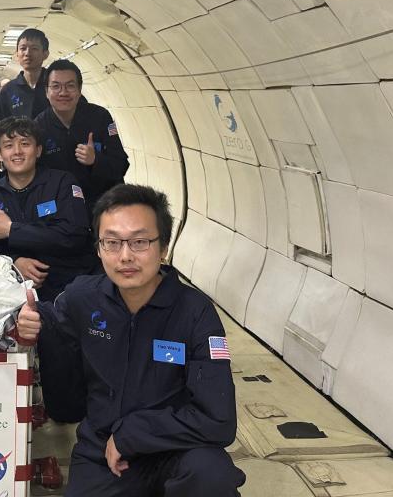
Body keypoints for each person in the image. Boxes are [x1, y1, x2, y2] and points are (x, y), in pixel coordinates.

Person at [16, 184, 246, 497]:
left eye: (139, 242)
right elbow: (46, 316)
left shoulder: (194, 313)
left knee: (212, 475)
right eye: (111, 242)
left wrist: (132, 435)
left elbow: (219, 420)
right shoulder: (84, 298)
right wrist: (29, 322)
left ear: (163, 247)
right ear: (98, 248)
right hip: (102, 453)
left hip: (176, 450)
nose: (125, 256)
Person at [0, 117, 95, 302]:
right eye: (8, 146)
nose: (17, 151)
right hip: (15, 294)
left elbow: (73, 235)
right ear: (0, 154)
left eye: (25, 144)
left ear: (38, 150)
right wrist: (15, 262)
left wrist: (11, 230)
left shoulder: (63, 184)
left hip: (70, 289)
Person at [36, 59, 129, 217]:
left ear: (79, 90)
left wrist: (96, 160)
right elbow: (35, 179)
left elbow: (121, 164)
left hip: (102, 211)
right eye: (56, 86)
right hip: (60, 214)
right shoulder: (39, 127)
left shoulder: (100, 117)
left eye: (70, 86)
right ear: (46, 91)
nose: (63, 92)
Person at [0, 28, 50, 119]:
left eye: (34, 48)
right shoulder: (8, 90)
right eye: (23, 48)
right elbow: (4, 127)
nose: (27, 53)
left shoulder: (56, 86)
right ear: (17, 54)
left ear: (45, 54)